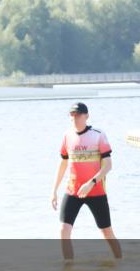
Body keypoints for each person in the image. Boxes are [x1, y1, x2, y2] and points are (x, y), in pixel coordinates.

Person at [51, 102, 122, 261]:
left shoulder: (98, 135)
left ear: (86, 116)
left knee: (106, 232)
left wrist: (91, 182)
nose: (75, 118)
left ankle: (120, 262)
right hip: (73, 191)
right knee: (64, 230)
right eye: (72, 115)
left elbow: (108, 165)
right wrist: (54, 190)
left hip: (96, 191)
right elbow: (63, 163)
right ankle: (68, 269)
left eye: (78, 114)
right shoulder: (67, 136)